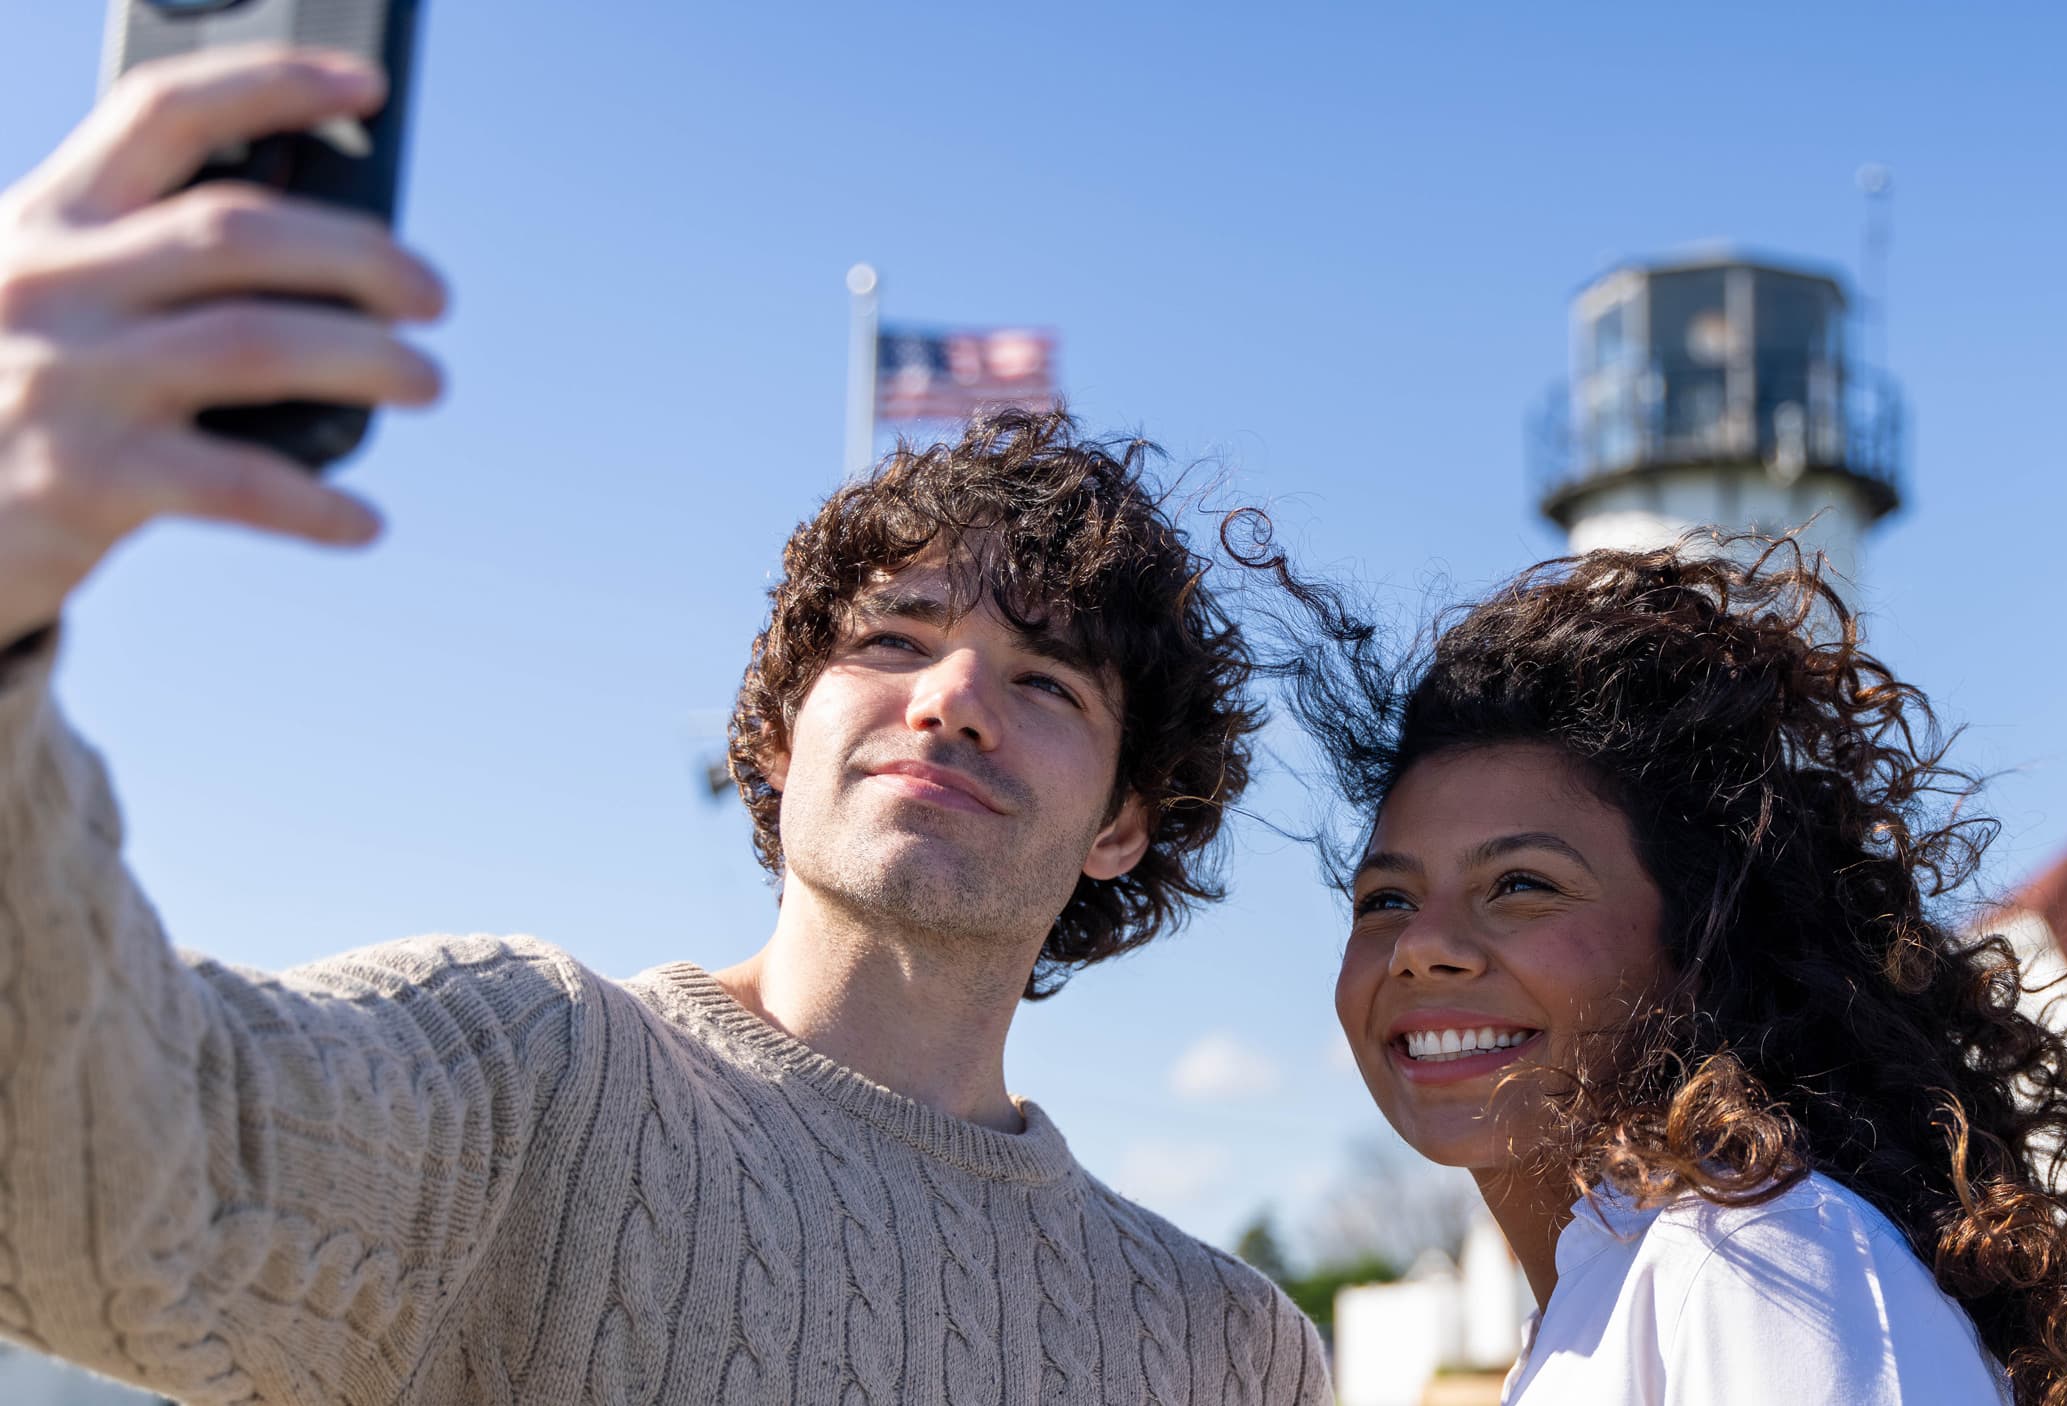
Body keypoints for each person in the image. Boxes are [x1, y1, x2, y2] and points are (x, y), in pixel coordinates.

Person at [0, 46, 1327, 1405]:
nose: (951, 698)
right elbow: (94, 1178)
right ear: (777, 735)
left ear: (1122, 821)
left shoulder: (1233, 1351)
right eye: (893, 638)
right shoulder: (528, 1074)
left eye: (1047, 681)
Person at [1284, 543, 2067, 1405]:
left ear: (1701, 941)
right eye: (1386, 899)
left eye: (1522, 884)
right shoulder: (1627, 1286)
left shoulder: (1759, 1262)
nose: (1420, 945)